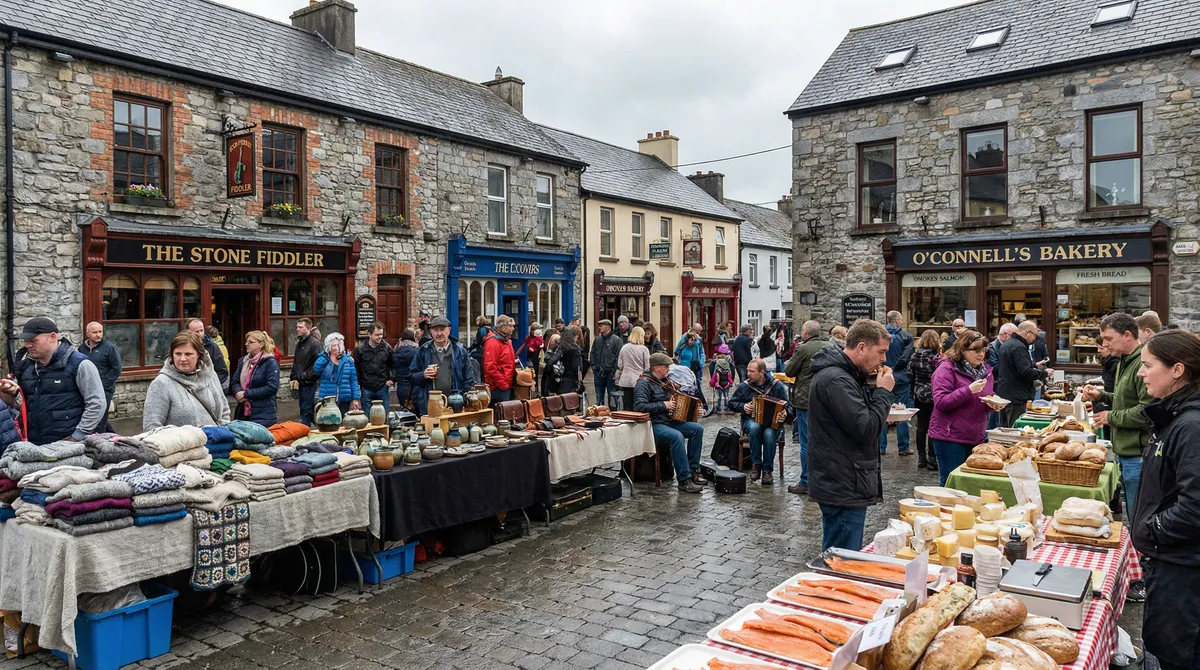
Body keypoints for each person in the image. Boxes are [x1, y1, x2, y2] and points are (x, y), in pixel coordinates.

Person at [1130, 329, 1200, 670]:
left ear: (1177, 370)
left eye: (1148, 365)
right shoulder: (1175, 418)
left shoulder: (1191, 425)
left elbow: (1195, 507)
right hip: (1172, 564)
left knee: (1181, 657)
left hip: (1184, 571)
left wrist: (1151, 529)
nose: (1141, 373)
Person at [808, 319, 895, 551]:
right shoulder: (837, 379)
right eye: (882, 352)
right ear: (862, 348)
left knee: (840, 554)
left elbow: (856, 418)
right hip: (843, 482)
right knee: (842, 560)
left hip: (846, 477)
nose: (884, 360)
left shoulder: (847, 375)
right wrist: (884, 393)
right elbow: (865, 428)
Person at [1081, 313, 1150, 524]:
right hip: (1126, 451)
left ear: (1127, 335)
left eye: (1109, 338)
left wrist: (1111, 417)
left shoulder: (1142, 363)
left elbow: (1147, 411)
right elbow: (1125, 400)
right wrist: (1102, 396)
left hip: (1138, 454)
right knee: (1133, 512)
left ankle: (1140, 555)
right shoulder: (1124, 361)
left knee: (1139, 516)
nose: (1105, 344)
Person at [0, 318, 105, 445]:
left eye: (33, 340)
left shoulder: (80, 364)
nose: (28, 345)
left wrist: (77, 436)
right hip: (35, 444)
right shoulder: (25, 366)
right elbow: (21, 405)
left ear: (53, 337)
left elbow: (97, 403)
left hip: (70, 445)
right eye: (26, 341)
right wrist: (9, 395)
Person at [928, 330, 1002, 484]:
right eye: (975, 350)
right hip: (949, 437)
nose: (980, 354)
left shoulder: (986, 372)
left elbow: (984, 398)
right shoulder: (946, 369)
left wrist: (993, 405)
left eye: (983, 350)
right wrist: (968, 390)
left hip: (975, 435)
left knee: (970, 483)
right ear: (962, 349)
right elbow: (941, 402)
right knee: (952, 483)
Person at [635, 352, 705, 493]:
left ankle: (693, 470)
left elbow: (677, 401)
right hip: (652, 424)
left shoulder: (666, 381)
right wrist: (663, 405)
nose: (668, 369)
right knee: (676, 436)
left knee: (697, 429)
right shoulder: (643, 383)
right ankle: (684, 480)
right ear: (656, 367)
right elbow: (639, 407)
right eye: (666, 366)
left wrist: (691, 410)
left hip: (668, 420)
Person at [141, 330, 231, 430]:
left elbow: (224, 410)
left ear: (199, 355)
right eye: (178, 354)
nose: (182, 359)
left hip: (216, 443)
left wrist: (223, 431)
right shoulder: (161, 383)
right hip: (181, 445)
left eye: (188, 354)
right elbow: (151, 428)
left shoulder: (210, 374)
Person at [728, 358, 791, 486]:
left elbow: (789, 407)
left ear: (762, 372)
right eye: (748, 371)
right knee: (755, 427)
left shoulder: (776, 385)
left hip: (771, 423)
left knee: (768, 434)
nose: (748, 374)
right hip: (750, 420)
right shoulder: (745, 386)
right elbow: (731, 403)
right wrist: (743, 407)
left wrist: (785, 413)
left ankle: (767, 471)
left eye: (752, 371)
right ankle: (756, 464)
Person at [785, 320, 827, 495]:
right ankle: (824, 479)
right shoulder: (829, 346)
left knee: (806, 442)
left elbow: (789, 371)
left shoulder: (803, 349)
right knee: (824, 441)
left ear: (806, 333)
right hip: (826, 398)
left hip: (806, 398)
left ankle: (806, 481)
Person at [408, 317, 473, 416]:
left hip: (454, 404)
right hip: (430, 405)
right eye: (435, 330)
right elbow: (411, 376)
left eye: (442, 330)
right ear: (431, 332)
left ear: (449, 331)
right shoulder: (423, 351)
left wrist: (461, 398)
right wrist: (423, 375)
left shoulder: (459, 351)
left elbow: (468, 378)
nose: (439, 334)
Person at [996, 321, 1051, 427]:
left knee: (1005, 431)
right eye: (1034, 335)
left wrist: (1033, 365)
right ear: (1027, 333)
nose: (1035, 339)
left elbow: (1013, 367)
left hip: (1005, 394)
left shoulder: (1007, 343)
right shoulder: (1019, 347)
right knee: (1014, 431)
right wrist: (1044, 373)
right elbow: (1025, 372)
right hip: (1016, 397)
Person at [908, 330, 943, 473]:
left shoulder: (915, 355)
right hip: (934, 393)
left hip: (919, 393)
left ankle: (921, 457)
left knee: (921, 427)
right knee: (933, 426)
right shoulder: (937, 357)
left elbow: (909, 374)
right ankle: (932, 458)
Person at [880, 311, 914, 456]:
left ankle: (880, 447)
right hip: (900, 378)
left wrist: (885, 369)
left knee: (881, 410)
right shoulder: (906, 336)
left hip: (881, 376)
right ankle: (903, 447)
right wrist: (894, 370)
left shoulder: (879, 334)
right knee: (902, 411)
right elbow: (905, 358)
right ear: (899, 321)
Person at [78, 321, 121, 433]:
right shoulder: (82, 348)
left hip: (104, 389)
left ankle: (100, 443)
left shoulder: (110, 348)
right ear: (88, 333)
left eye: (100, 331)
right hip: (87, 390)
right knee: (93, 416)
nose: (98, 335)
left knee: (101, 418)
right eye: (95, 332)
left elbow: (116, 369)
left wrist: (102, 385)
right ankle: (115, 437)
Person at [231, 330, 280, 427]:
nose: (246, 344)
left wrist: (246, 394)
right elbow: (235, 381)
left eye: (251, 342)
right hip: (242, 412)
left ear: (261, 344)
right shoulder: (244, 361)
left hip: (263, 414)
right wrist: (238, 392)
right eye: (246, 342)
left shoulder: (270, 362)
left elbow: (272, 387)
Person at [313, 332, 360, 416]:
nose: (337, 348)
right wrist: (328, 357)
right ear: (329, 346)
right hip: (327, 398)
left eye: (339, 345)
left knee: (343, 424)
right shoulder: (323, 359)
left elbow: (353, 381)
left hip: (344, 398)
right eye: (334, 345)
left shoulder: (348, 361)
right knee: (328, 423)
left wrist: (355, 398)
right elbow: (316, 370)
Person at [353, 322, 395, 412]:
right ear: (369, 334)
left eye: (381, 334)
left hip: (382, 386)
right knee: (367, 419)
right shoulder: (360, 350)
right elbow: (356, 369)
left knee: (383, 417)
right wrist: (358, 385)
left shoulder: (387, 348)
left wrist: (391, 378)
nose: (380, 337)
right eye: (377, 335)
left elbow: (393, 365)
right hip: (366, 387)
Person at [290, 319, 323, 426]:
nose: (297, 329)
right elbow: (296, 362)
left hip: (309, 383)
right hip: (301, 382)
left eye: (300, 327)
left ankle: (307, 432)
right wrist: (293, 377)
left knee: (306, 410)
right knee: (305, 410)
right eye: (297, 327)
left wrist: (303, 376)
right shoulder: (300, 343)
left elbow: (317, 366)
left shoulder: (314, 344)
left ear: (308, 328)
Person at [986, 323, 1017, 429]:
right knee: (994, 418)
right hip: (995, 387)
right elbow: (994, 368)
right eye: (1014, 336)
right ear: (1004, 335)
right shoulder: (992, 348)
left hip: (1004, 387)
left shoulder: (1007, 346)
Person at [483, 315, 517, 402]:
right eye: (511, 326)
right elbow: (490, 367)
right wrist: (503, 385)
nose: (513, 328)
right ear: (503, 327)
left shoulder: (506, 341)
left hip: (506, 385)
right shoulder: (493, 342)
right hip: (497, 388)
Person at [187, 319, 229, 389]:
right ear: (188, 332)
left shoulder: (213, 347)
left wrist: (209, 385)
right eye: (196, 332)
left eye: (201, 330)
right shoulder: (182, 347)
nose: (200, 334)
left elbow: (221, 371)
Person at [616, 326, 650, 411]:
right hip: (639, 380)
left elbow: (620, 364)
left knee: (627, 405)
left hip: (626, 379)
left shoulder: (624, 348)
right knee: (638, 405)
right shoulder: (644, 349)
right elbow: (647, 367)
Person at [590, 319, 622, 407]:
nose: (599, 327)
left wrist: (613, 370)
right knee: (599, 396)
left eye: (602, 325)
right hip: (598, 371)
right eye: (599, 325)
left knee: (612, 396)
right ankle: (599, 411)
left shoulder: (616, 340)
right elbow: (592, 353)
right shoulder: (597, 340)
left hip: (610, 372)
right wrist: (593, 366)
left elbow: (618, 357)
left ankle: (613, 412)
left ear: (608, 327)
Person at [392, 329, 419, 410]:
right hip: (414, 388)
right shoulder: (417, 351)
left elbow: (393, 368)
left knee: (405, 415)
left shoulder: (396, 352)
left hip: (401, 388)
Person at [556, 326, 585, 394]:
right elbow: (577, 367)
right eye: (577, 337)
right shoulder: (574, 349)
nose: (577, 339)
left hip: (559, 379)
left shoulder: (560, 346)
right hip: (571, 380)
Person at [517, 324, 544, 394]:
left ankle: (537, 387)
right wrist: (516, 354)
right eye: (533, 330)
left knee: (536, 371)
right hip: (530, 356)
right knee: (530, 371)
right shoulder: (528, 338)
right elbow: (524, 345)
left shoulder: (539, 338)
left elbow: (543, 346)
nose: (534, 332)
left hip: (537, 356)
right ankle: (530, 386)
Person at [709, 344, 735, 414]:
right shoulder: (729, 361)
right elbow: (732, 371)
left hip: (718, 381)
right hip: (727, 381)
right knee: (726, 395)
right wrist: (731, 381)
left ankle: (718, 407)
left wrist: (713, 381)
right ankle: (727, 406)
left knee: (719, 396)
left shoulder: (715, 361)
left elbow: (712, 371)